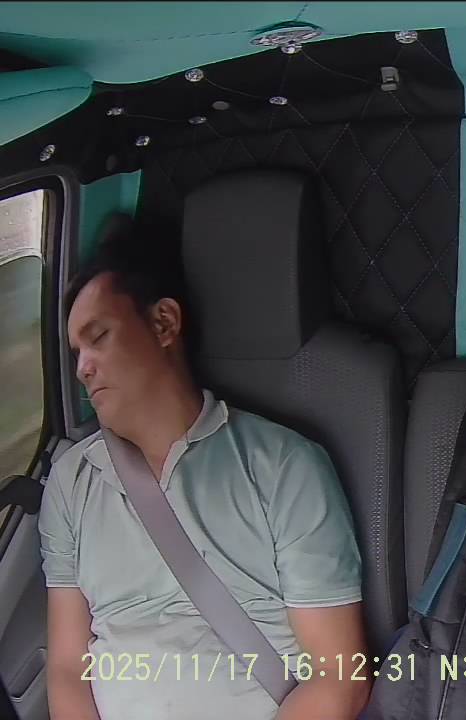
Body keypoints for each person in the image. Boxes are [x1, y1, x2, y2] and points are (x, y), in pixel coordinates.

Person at [39, 232, 371, 720]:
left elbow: (339, 678)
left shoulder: (285, 466)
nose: (82, 369)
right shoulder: (71, 482)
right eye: (76, 352)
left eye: (99, 337)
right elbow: (68, 668)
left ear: (164, 323)